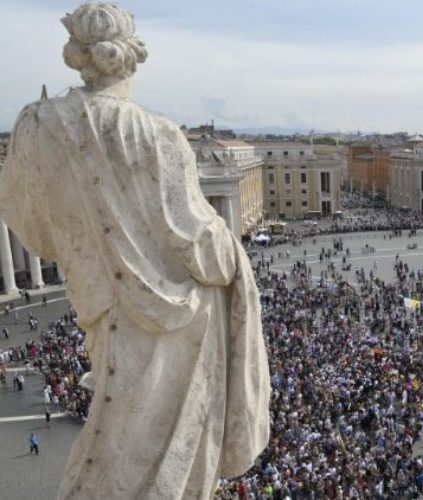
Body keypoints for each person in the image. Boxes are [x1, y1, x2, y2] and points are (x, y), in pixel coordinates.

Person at [0, 4, 270, 498]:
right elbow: (201, 249)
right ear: (130, 57)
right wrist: (236, 258)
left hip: (102, 311)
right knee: (154, 451)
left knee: (113, 433)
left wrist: (86, 245)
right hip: (175, 330)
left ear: (78, 56)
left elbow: (31, 229)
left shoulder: (34, 127)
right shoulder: (155, 135)